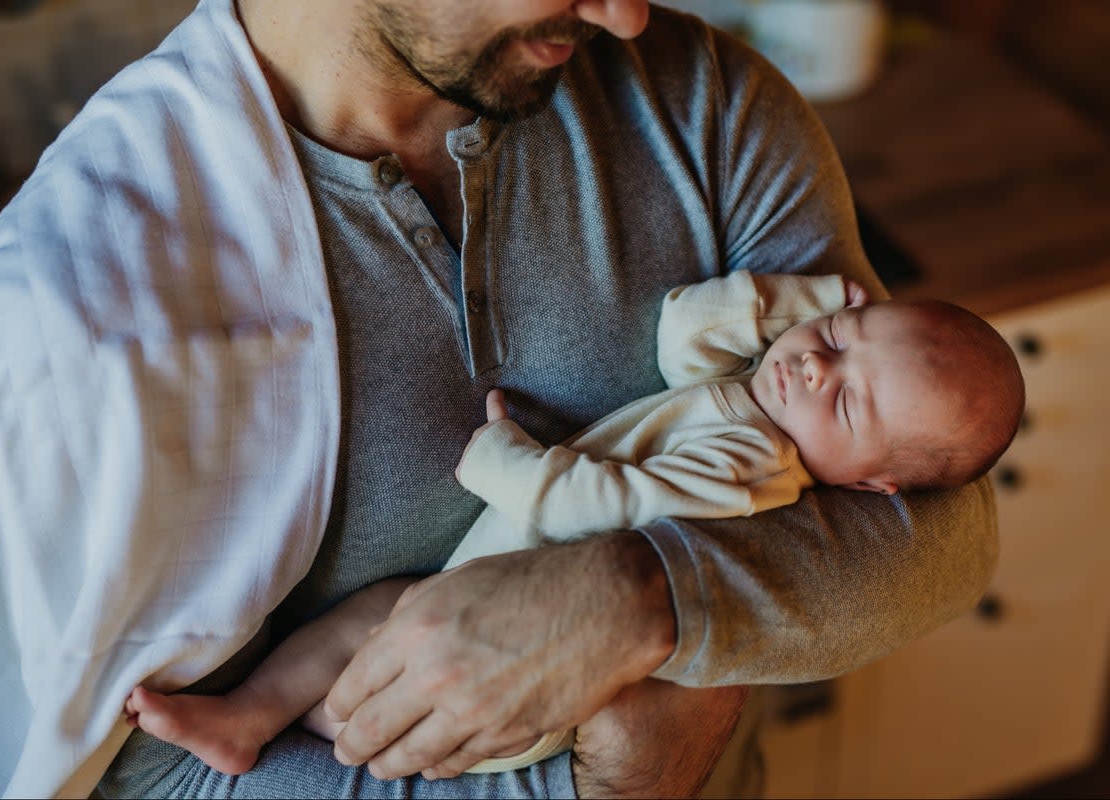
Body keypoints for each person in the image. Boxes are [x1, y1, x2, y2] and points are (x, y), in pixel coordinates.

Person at [0, 1, 1003, 798]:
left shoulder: (702, 100)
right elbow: (145, 776)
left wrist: (639, 596)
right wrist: (606, 773)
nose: (624, 14)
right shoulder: (85, 304)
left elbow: (942, 529)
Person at [118, 271, 1024, 779]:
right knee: (379, 617)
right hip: (475, 591)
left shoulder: (752, 469)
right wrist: (791, 307)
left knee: (379, 659)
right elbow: (682, 337)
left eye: (851, 403)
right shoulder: (757, 397)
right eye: (835, 340)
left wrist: (501, 459)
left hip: (521, 666)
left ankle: (276, 729)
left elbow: (610, 507)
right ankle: (247, 718)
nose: (816, 371)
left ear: (869, 484)